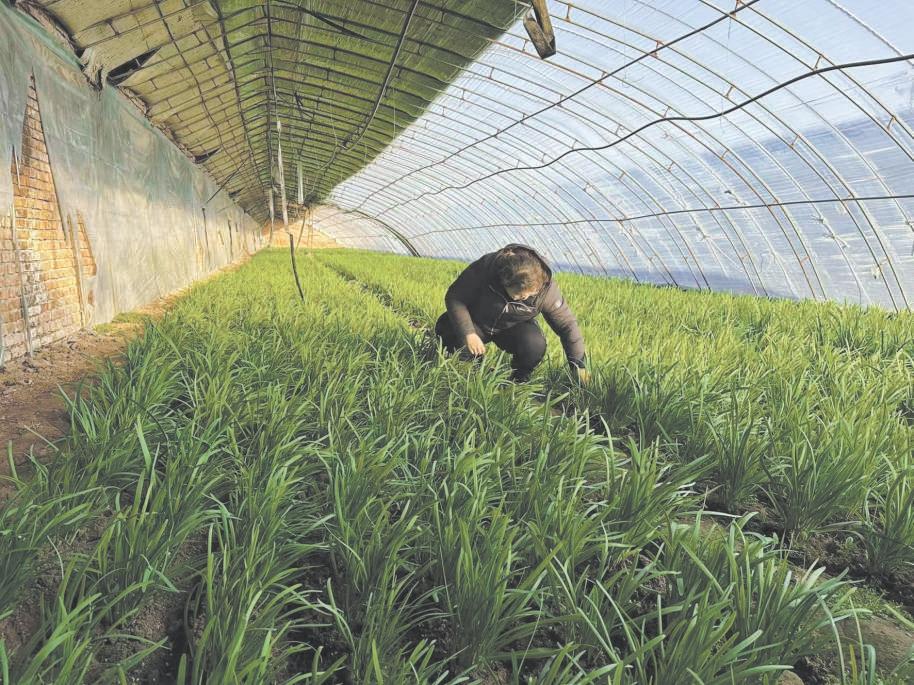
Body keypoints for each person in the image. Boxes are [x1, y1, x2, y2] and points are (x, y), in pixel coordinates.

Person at [434, 244, 588, 383]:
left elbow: (567, 325)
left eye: (528, 295)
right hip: (478, 321)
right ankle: (473, 369)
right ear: (504, 280)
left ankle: (518, 380)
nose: (522, 297)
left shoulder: (547, 292)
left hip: (511, 327)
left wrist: (579, 365)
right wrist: (468, 333)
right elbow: (455, 297)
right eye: (518, 294)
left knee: (534, 344)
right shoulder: (487, 267)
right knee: (448, 329)